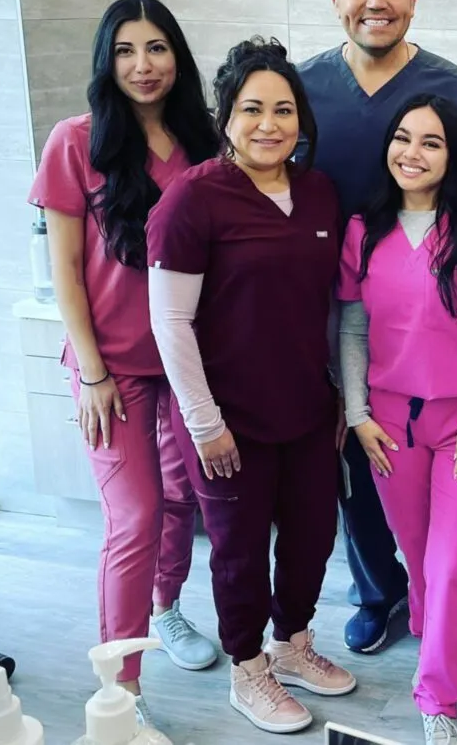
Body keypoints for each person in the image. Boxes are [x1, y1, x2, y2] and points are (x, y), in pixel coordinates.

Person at [298, 0, 457, 654]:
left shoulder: (453, 88)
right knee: (357, 457)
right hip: (333, 301)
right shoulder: (306, 87)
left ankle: (437, 593)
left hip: (429, 307)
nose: (375, 2)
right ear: (335, 0)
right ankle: (378, 588)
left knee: (419, 470)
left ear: (413, 0)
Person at [146, 37, 356, 735]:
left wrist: (336, 394)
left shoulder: (319, 190)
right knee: (238, 551)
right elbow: (170, 321)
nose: (270, 124)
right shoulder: (192, 199)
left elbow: (329, 306)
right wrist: (204, 422)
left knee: (311, 536)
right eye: (252, 109)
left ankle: (291, 644)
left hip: (304, 407)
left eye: (284, 109)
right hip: (226, 417)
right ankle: (247, 667)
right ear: (226, 116)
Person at [28, 0, 219, 724]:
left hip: (187, 360)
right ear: (107, 62)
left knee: (182, 502)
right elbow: (67, 271)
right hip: (113, 368)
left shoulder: (202, 142)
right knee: (134, 515)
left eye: (158, 47)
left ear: (179, 56)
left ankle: (165, 609)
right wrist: (94, 371)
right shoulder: (75, 143)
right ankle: (120, 686)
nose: (144, 65)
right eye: (127, 50)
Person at [337, 95, 457, 745]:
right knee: (418, 559)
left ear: (453, 155)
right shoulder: (364, 230)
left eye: (432, 142)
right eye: (403, 138)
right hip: (388, 424)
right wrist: (357, 413)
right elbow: (352, 327)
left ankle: (436, 698)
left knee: (451, 563)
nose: (413, 152)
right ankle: (431, 627)